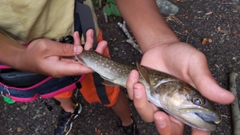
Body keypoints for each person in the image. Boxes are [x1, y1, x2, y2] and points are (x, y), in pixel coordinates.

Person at [0, 1, 138, 135]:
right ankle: (71, 110)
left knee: (108, 92)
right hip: (18, 53)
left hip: (79, 37)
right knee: (56, 90)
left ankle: (127, 121)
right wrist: (19, 57)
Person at [115, 0, 235, 135]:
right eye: (196, 100)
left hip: (91, 32)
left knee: (108, 95)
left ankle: (126, 121)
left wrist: (159, 43)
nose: (197, 102)